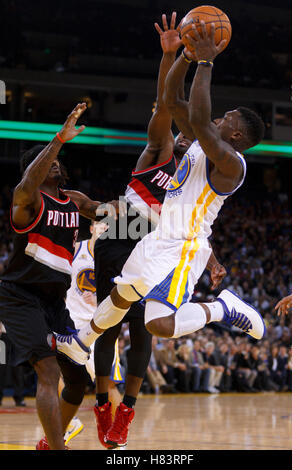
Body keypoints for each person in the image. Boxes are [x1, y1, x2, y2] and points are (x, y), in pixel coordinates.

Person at [56, 22, 266, 445]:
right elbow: (169, 100)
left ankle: (221, 310)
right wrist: (182, 57)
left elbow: (204, 122)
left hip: (184, 247)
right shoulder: (194, 141)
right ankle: (84, 343)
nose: (218, 118)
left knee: (158, 327)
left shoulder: (231, 164)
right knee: (121, 294)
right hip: (154, 239)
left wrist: (205, 60)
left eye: (227, 118)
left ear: (236, 134)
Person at [90, 12, 224, 450]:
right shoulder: (158, 153)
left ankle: (126, 410)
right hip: (122, 231)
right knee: (107, 330)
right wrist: (170, 57)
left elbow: (195, 228)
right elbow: (167, 106)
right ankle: (101, 404)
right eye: (184, 137)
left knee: (145, 330)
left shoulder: (196, 180)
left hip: (160, 245)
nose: (186, 140)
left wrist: (215, 259)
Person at [0, 103, 121, 450]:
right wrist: (57, 139)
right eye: (45, 161)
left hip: (54, 302)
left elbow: (111, 215)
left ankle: (48, 442)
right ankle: (57, 448)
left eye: (56, 159)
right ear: (32, 172)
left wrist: (155, 215)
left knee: (76, 380)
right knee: (49, 372)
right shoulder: (27, 200)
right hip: (19, 296)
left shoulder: (74, 200)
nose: (54, 162)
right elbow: (29, 180)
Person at [63, 220, 125, 445]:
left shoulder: (115, 257)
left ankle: (117, 437)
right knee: (56, 373)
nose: (105, 228)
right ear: (91, 228)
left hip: (101, 327)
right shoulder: (74, 249)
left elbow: (125, 293)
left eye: (110, 226)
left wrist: (99, 298)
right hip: (70, 324)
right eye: (101, 224)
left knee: (107, 384)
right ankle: (68, 425)